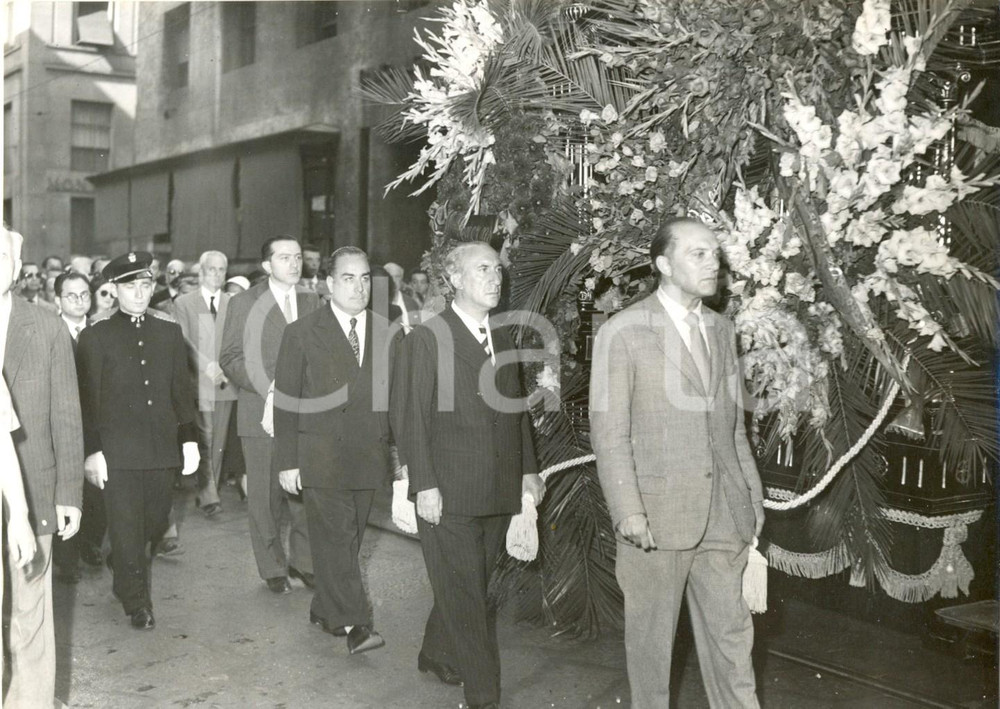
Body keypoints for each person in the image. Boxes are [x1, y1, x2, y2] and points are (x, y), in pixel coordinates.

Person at [589, 217, 765, 709]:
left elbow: (733, 428)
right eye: (699, 254)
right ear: (663, 264)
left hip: (724, 515)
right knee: (651, 653)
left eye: (715, 254)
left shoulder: (721, 329)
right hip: (656, 518)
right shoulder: (623, 332)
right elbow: (609, 433)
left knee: (734, 645)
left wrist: (751, 496)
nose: (715, 264)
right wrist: (628, 511)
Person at [392, 242, 544, 709]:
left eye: (497, 270)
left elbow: (517, 413)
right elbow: (409, 416)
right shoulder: (427, 337)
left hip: (498, 488)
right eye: (483, 269)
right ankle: (483, 695)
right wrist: (424, 485)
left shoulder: (503, 337)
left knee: (471, 585)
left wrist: (528, 472)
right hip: (450, 490)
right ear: (454, 279)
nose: (495, 277)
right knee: (469, 598)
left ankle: (435, 651)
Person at [274, 246, 401, 654]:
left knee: (348, 542)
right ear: (329, 284)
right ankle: (356, 624)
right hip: (320, 457)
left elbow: (397, 401)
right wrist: (287, 461)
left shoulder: (389, 332)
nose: (359, 286)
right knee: (336, 539)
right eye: (348, 278)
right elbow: (286, 401)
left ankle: (325, 608)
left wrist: (403, 462)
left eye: (365, 278)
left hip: (368, 455)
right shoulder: (301, 332)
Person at [76, 251, 200, 630]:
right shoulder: (95, 336)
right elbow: (87, 401)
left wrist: (189, 440)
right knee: (128, 526)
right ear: (113, 290)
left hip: (161, 447)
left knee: (155, 520)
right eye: (131, 286)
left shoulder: (168, 332)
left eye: (146, 285)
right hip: (118, 451)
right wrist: (93, 451)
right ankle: (136, 601)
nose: (140, 293)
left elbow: (181, 391)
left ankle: (122, 562)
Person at [1, 227, 84, 706]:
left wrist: (69, 492)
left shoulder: (47, 325)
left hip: (33, 484)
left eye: (3, 255)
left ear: (18, 265)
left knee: (32, 609)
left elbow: (67, 413)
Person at [220, 236, 318, 594]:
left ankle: (305, 563)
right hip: (260, 409)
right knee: (264, 496)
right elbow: (229, 356)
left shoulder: (312, 300)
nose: (294, 264)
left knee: (305, 491)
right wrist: (269, 386)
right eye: (284, 257)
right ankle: (273, 566)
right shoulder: (244, 302)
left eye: (297, 257)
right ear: (266, 265)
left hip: (306, 413)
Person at [173, 250, 237, 517]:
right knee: (207, 438)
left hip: (226, 383)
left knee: (219, 440)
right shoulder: (184, 302)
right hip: (199, 382)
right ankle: (209, 494)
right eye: (212, 269)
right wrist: (206, 366)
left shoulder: (233, 302)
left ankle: (209, 489)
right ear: (200, 272)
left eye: (222, 270)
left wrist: (228, 367)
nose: (217, 274)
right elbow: (183, 341)